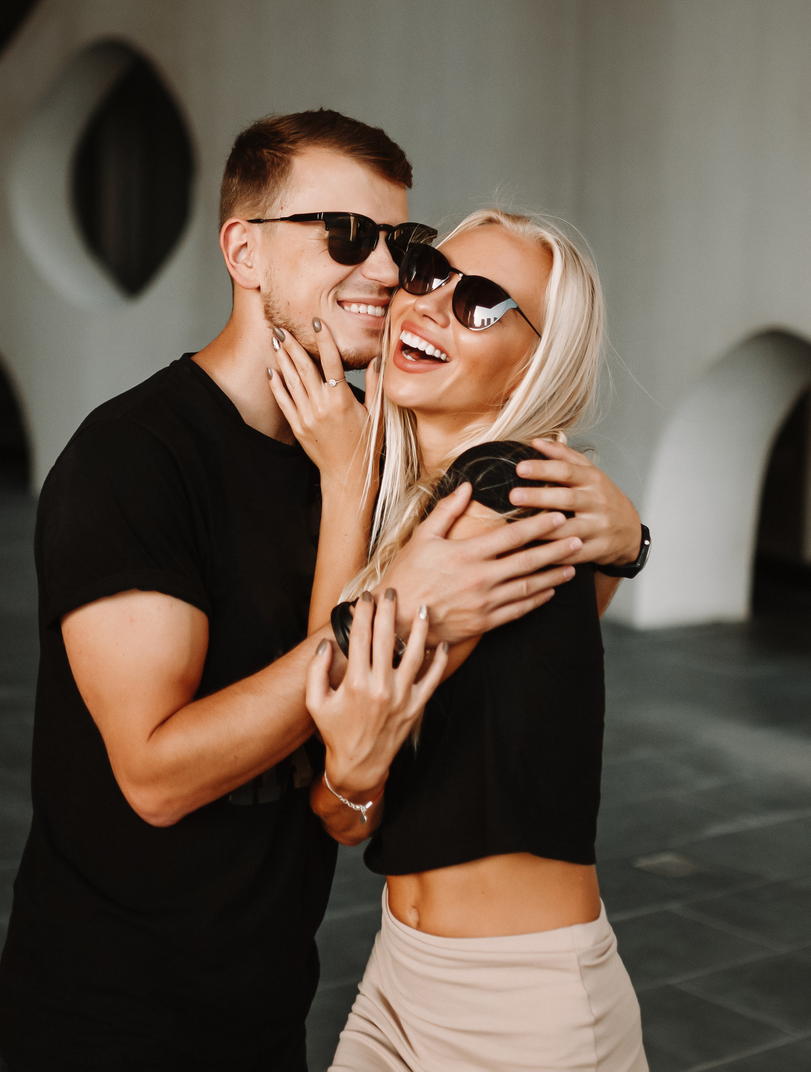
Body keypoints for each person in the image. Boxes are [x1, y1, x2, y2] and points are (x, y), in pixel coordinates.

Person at [0, 111, 646, 1071]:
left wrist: (624, 542)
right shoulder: (134, 461)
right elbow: (163, 776)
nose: (389, 274)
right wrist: (385, 628)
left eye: (402, 245)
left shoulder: (377, 469)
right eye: (348, 236)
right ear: (245, 252)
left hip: (288, 998)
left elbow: (495, 672)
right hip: (119, 1010)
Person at [267, 209, 650, 1070]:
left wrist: (341, 479)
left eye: (480, 303)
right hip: (404, 969)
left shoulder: (511, 488)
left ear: (537, 359)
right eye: (429, 272)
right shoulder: (435, 509)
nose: (432, 305)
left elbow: (328, 684)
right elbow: (341, 795)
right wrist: (351, 777)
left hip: (520, 1008)